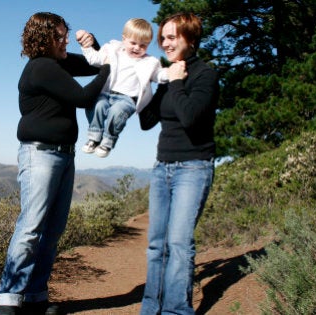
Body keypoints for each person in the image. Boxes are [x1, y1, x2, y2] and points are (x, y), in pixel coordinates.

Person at [0, 12, 110, 315]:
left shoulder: (58, 62)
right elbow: (85, 96)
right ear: (44, 39)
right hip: (41, 154)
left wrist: (94, 44)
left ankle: (35, 297)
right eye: (59, 36)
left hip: (64, 154)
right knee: (31, 227)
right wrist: (111, 69)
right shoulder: (42, 67)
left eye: (66, 34)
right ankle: (9, 299)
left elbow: (90, 63)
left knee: (52, 230)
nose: (65, 40)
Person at [137, 12, 219, 314]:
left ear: (191, 38)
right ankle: (150, 308)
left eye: (172, 37)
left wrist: (175, 82)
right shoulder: (170, 75)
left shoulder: (204, 75)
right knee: (157, 244)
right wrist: (142, 83)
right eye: (164, 38)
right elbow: (147, 120)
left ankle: (175, 310)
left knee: (179, 244)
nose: (165, 43)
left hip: (194, 167)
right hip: (162, 168)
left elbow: (189, 116)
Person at [76, 18, 168, 158]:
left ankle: (108, 141)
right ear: (124, 39)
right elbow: (95, 59)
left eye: (143, 45)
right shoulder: (113, 50)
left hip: (127, 99)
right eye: (133, 43)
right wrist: (86, 46)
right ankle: (94, 137)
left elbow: (159, 75)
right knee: (98, 105)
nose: (137, 48)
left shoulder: (150, 62)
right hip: (106, 93)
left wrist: (171, 74)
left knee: (117, 111)